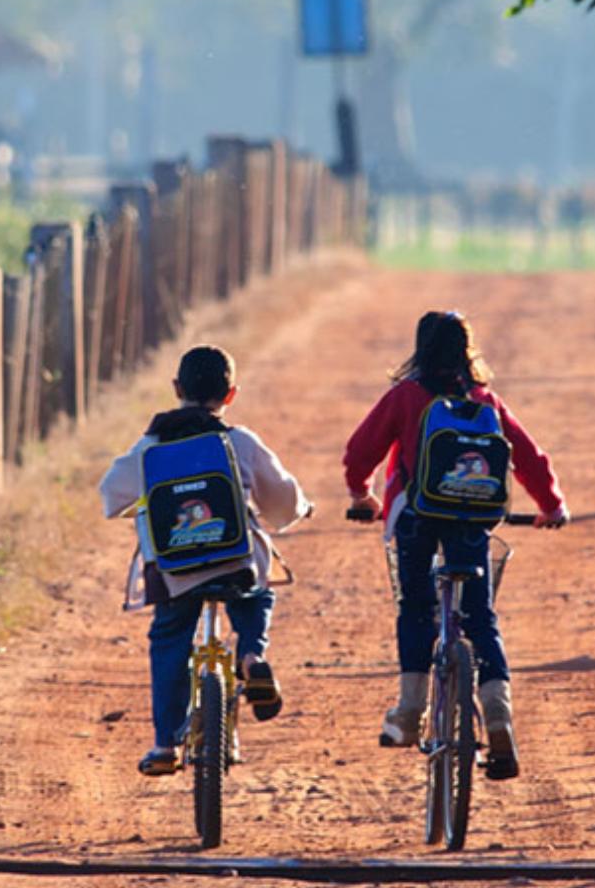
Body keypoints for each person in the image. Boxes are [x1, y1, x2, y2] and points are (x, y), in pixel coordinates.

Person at [343, 311, 568, 780]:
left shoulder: (405, 396)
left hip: (415, 516)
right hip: (472, 519)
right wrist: (551, 505)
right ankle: (499, 715)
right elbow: (527, 455)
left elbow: (360, 450)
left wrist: (360, 494)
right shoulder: (484, 399)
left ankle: (409, 712)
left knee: (416, 606)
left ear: (420, 349)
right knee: (480, 617)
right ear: (468, 351)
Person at [100, 345, 311, 776]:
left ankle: (164, 745)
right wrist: (302, 508)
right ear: (230, 395)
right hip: (235, 560)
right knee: (256, 592)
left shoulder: (153, 443)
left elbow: (110, 495)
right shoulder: (240, 441)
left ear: (176, 389)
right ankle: (251, 656)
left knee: (170, 638)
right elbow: (283, 500)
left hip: (175, 571)